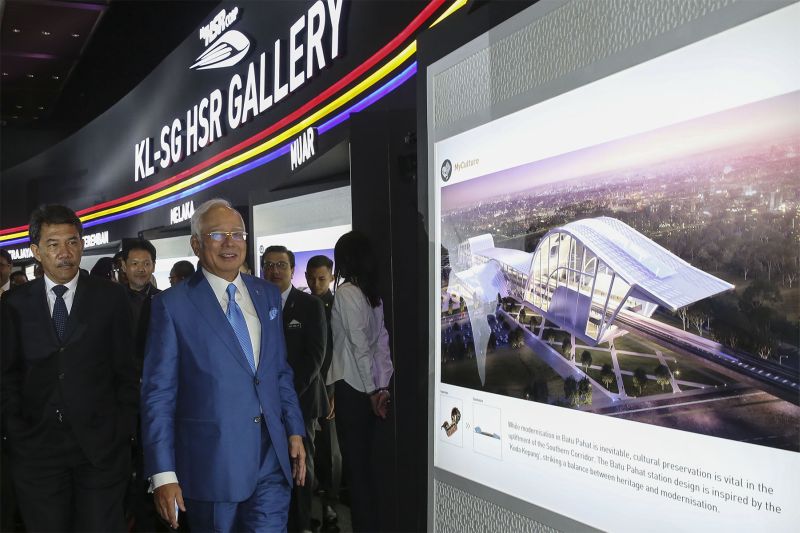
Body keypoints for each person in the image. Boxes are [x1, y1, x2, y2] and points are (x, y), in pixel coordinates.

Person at [140, 199, 307, 531]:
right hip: (211, 466)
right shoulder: (171, 306)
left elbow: (278, 371)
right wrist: (162, 473)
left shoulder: (267, 295)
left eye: (237, 233)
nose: (230, 242)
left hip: (271, 459)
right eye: (218, 234)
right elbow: (158, 395)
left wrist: (295, 430)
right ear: (196, 244)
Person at [0, 204, 138, 531]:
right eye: (53, 244)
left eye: (73, 242)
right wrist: (17, 431)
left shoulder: (111, 298)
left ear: (82, 244)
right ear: (36, 251)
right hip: (37, 452)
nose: (65, 253)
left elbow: (126, 370)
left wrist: (122, 429)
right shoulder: (14, 306)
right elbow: (7, 376)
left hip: (100, 450)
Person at [327, 230, 393, 533]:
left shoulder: (345, 293)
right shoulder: (372, 295)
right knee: (369, 470)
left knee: (357, 472)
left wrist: (370, 391)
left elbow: (358, 347)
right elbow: (381, 344)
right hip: (369, 390)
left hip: (353, 391)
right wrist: (382, 388)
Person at [262, 246, 327, 533]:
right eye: (269, 265)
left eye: (281, 265)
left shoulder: (310, 305)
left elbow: (315, 357)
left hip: (300, 402)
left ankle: (301, 525)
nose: (274, 270)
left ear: (292, 269)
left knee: (301, 468)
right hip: (264, 406)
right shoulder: (256, 304)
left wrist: (285, 395)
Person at [305, 254, 342, 530]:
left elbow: (339, 352)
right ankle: (306, 507)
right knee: (306, 452)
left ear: (330, 277)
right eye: (312, 277)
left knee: (329, 453)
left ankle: (330, 502)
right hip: (305, 389)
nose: (316, 283)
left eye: (322, 278)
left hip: (328, 387)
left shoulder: (337, 306)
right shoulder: (301, 304)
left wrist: (333, 391)